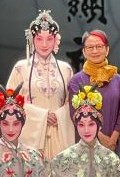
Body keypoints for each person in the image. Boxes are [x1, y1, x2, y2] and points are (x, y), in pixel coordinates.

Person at [5, 10, 75, 160]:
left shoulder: (66, 69)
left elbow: (72, 103)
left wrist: (58, 115)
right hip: (31, 136)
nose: (44, 44)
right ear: (32, 40)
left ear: (55, 40)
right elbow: (10, 103)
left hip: (58, 132)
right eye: (39, 39)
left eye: (49, 39)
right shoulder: (20, 68)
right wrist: (42, 115)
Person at [68, 29, 120, 153]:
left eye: (99, 46)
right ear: (84, 52)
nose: (95, 51)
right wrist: (101, 137)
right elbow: (76, 114)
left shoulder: (118, 79)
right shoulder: (76, 81)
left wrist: (113, 138)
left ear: (107, 50)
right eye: (90, 47)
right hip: (86, 143)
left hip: (112, 144)